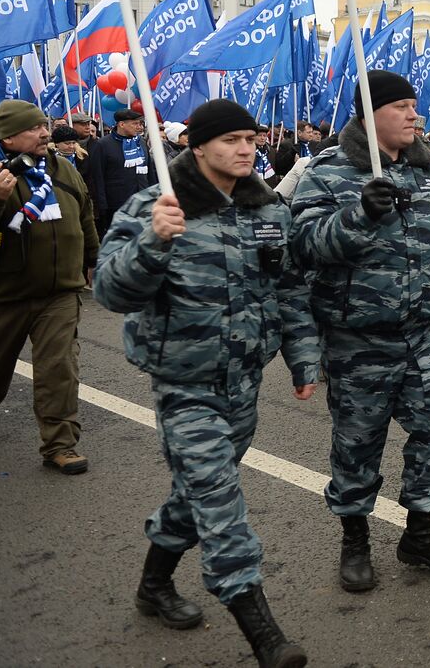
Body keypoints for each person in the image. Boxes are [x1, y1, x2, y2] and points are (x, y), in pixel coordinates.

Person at [92, 99, 316, 667]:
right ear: (196, 146)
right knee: (219, 498)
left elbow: (287, 289)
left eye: (251, 138)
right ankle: (264, 634)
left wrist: (302, 358)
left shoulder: (266, 208)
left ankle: (153, 583)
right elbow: (110, 293)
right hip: (183, 383)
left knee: (198, 490)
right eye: (231, 140)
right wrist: (152, 243)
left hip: (243, 381)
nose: (246, 148)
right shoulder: (156, 206)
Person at [290, 71, 430, 593]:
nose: (414, 115)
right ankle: (355, 540)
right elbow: (304, 247)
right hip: (358, 339)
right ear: (369, 116)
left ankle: (422, 534)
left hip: (422, 335)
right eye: (401, 106)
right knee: (358, 443)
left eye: (415, 105)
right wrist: (358, 215)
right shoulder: (328, 171)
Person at [0, 101, 98, 472]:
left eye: (44, 126)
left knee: (59, 369)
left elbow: (84, 215)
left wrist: (93, 259)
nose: (45, 133)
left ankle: (60, 444)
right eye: (34, 128)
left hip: (59, 292)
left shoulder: (64, 171)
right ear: (8, 137)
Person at [89, 108, 158, 235]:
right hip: (117, 204)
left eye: (140, 123)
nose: (139, 127)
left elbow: (150, 172)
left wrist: (155, 195)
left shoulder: (140, 142)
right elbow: (98, 177)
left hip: (143, 202)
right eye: (135, 124)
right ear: (121, 124)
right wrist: (102, 206)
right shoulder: (103, 145)